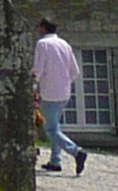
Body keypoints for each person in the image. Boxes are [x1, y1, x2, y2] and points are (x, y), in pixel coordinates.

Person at [33, 18, 87, 175]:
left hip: (50, 93)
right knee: (55, 126)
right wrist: (64, 82)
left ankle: (76, 152)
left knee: (50, 129)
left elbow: (38, 70)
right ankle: (55, 161)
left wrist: (33, 87)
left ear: (43, 28)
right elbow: (74, 71)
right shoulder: (65, 44)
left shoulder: (42, 44)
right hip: (64, 92)